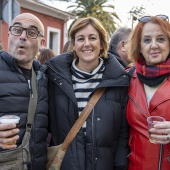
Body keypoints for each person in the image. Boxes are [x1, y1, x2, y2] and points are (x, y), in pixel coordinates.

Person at [45, 16, 130, 170]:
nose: (86, 44)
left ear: (102, 43)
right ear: (74, 44)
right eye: (80, 38)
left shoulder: (119, 81)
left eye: (92, 38)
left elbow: (123, 134)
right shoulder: (54, 78)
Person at [0, 13, 48, 170]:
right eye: (17, 30)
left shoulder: (45, 78)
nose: (22, 37)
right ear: (8, 35)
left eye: (32, 32)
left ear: (42, 42)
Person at [126, 14, 170, 170]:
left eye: (161, 39)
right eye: (147, 40)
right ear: (139, 46)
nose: (154, 45)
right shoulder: (126, 79)